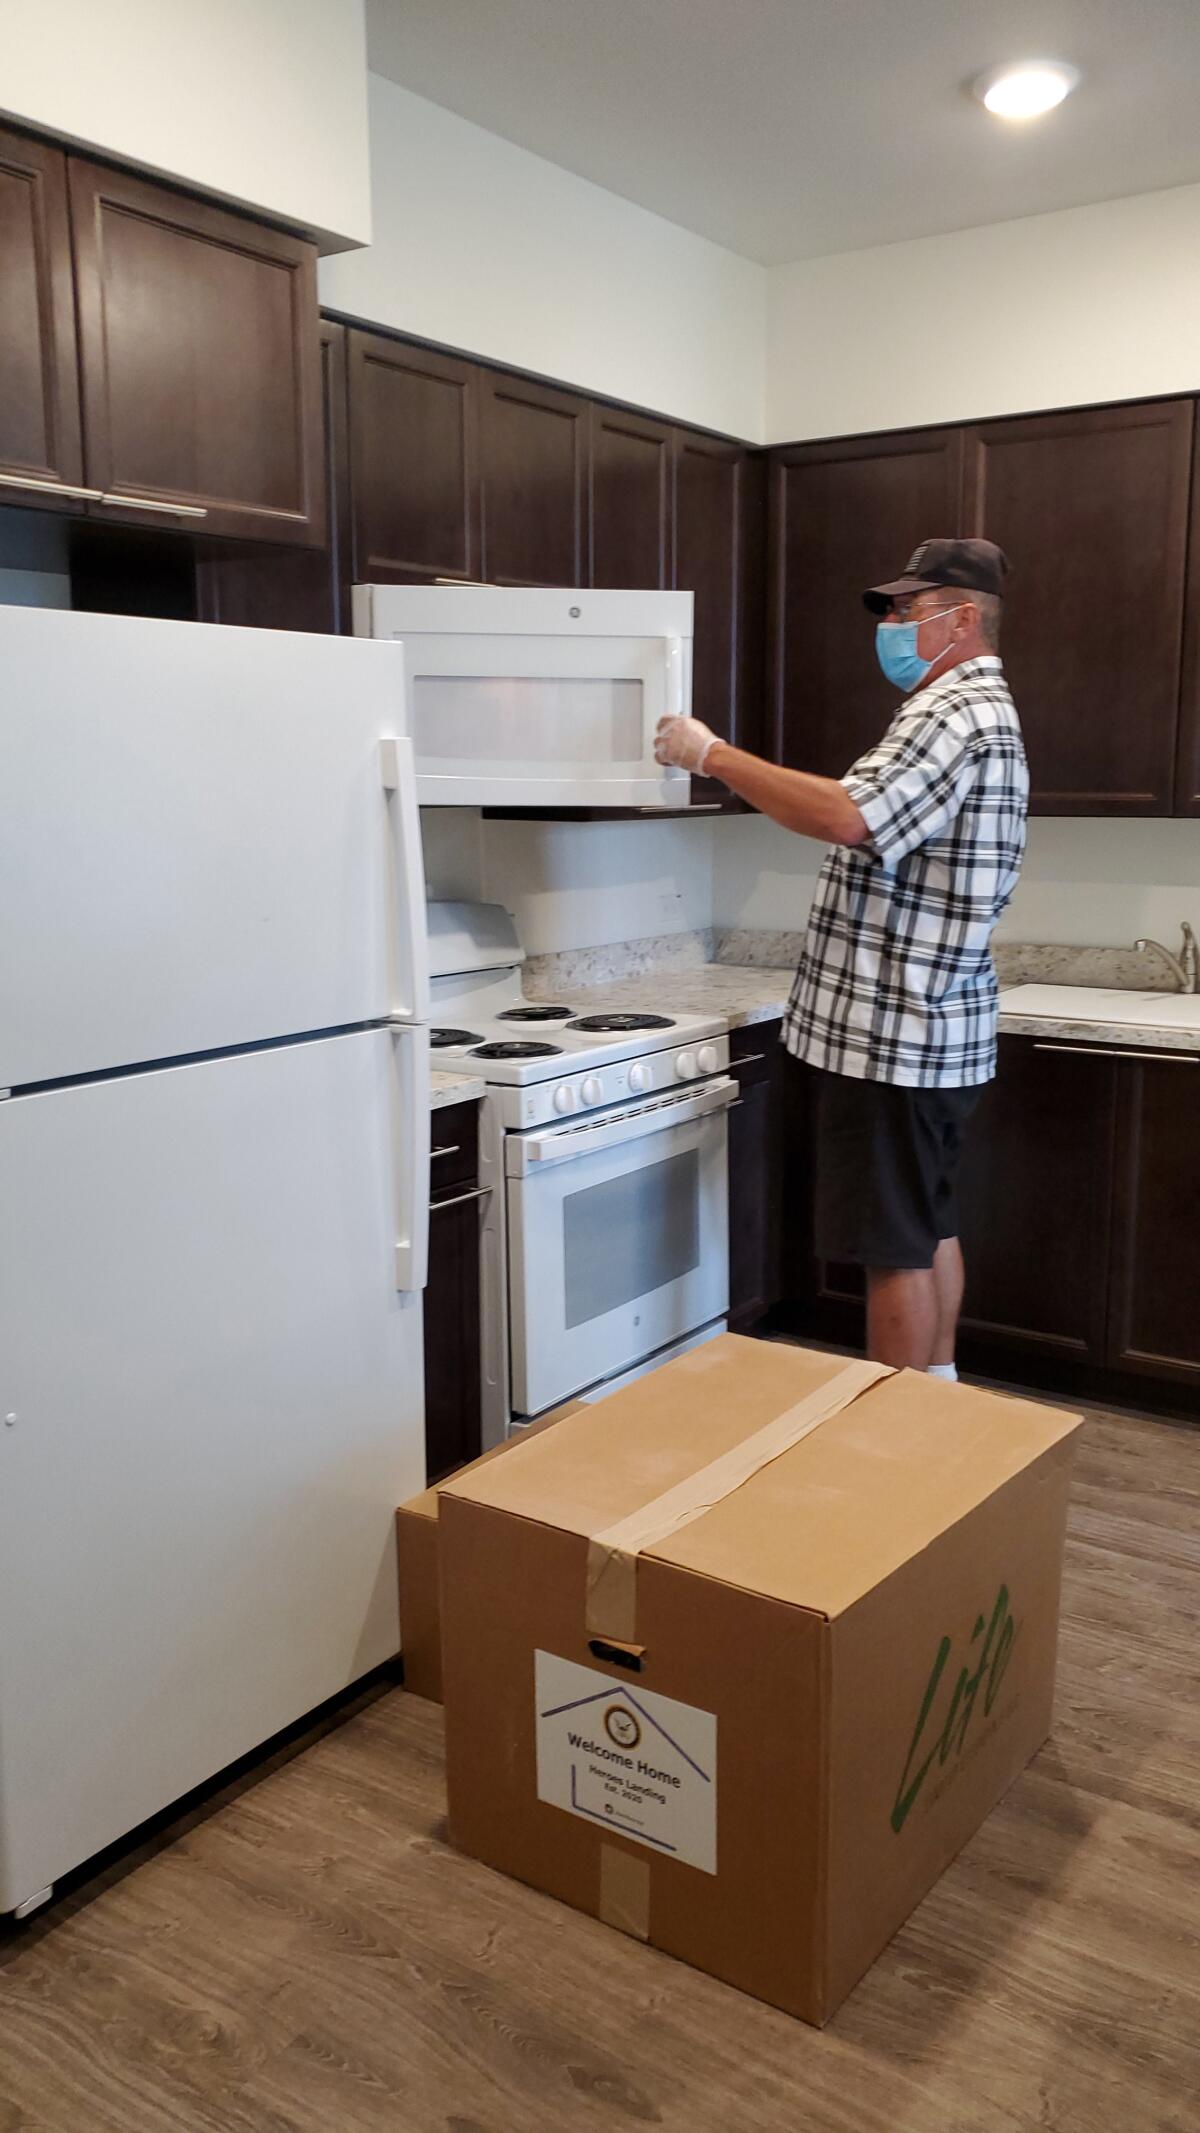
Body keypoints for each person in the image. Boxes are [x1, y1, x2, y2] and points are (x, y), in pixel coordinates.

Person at [655, 537, 1028, 1378]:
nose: (891, 624)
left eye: (907, 609)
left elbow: (847, 815)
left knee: (892, 1249)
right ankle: (935, 1401)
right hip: (932, 1028)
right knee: (927, 1227)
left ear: (962, 618)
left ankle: (891, 1454)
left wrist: (709, 754)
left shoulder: (953, 712)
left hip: (894, 1033)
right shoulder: (978, 710)